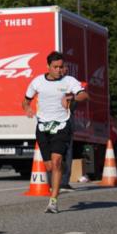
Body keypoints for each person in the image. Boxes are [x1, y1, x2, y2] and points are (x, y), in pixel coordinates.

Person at [22, 51, 88, 214]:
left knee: (56, 161)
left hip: (62, 126)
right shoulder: (37, 82)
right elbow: (25, 100)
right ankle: (62, 166)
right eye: (56, 67)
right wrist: (28, 108)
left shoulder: (69, 81)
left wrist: (72, 98)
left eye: (61, 67)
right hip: (43, 128)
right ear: (48, 67)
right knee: (50, 166)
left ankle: (53, 201)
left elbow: (84, 95)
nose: (59, 70)